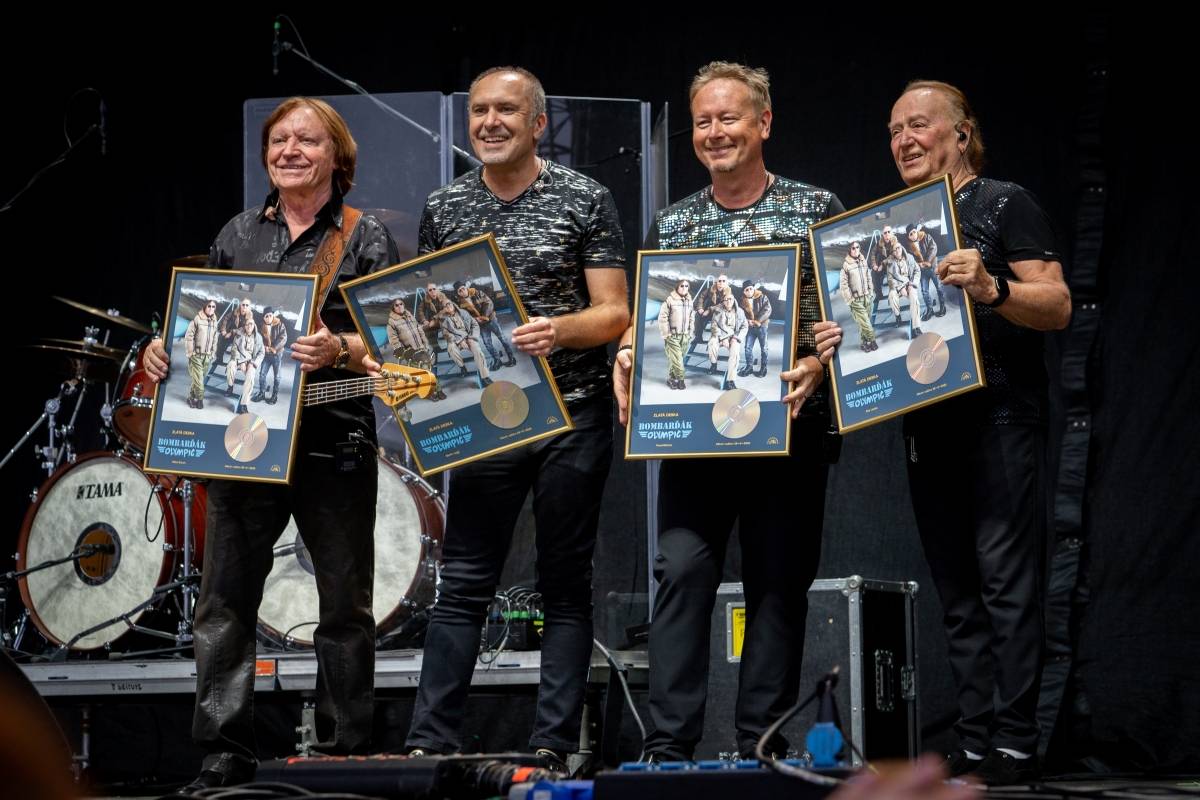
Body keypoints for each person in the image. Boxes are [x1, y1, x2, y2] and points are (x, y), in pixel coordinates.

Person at [816, 80, 1070, 785]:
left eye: (920, 125)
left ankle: (1017, 739)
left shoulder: (1004, 203)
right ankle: (979, 737)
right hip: (929, 425)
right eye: (894, 129)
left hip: (1000, 419)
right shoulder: (887, 227)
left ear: (962, 133)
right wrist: (844, 338)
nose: (904, 139)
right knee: (957, 593)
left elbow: (1057, 305)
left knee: (1005, 585)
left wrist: (994, 290)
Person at [144, 96, 399, 791]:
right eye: (279, 139)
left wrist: (340, 346)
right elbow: (209, 329)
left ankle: (348, 752)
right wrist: (164, 350)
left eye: (307, 140)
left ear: (336, 157)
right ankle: (225, 750)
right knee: (224, 603)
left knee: (343, 607)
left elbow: (397, 349)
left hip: (330, 444)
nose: (290, 150)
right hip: (243, 447)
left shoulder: (365, 235)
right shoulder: (236, 233)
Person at [395, 66, 628, 767]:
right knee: (463, 582)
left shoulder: (585, 197)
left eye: (506, 110)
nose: (489, 122)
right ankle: (427, 743)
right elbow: (422, 314)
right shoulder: (445, 205)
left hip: (571, 413)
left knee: (564, 582)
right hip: (485, 417)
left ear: (537, 124)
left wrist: (557, 331)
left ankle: (554, 745)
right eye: (479, 111)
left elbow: (615, 312)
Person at [613, 61, 844, 761]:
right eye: (704, 121)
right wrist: (628, 351)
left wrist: (814, 360)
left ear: (763, 123)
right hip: (695, 438)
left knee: (778, 587)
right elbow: (650, 323)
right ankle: (668, 746)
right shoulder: (674, 223)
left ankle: (761, 743)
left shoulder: (816, 207)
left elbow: (852, 331)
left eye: (729, 118)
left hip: (789, 428)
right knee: (681, 573)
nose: (715, 133)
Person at [455, 280, 515, 370]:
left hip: (491, 319)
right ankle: (497, 360)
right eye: (459, 291)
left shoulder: (478, 293)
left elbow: (489, 303)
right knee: (487, 343)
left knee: (502, 338)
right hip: (481, 325)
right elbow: (466, 316)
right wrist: (475, 319)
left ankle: (511, 358)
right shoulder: (461, 304)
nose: (462, 291)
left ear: (466, 288)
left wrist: (484, 316)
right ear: (458, 293)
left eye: (463, 289)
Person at [437, 298, 493, 387]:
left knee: (477, 351)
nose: (448, 306)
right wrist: (459, 341)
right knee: (451, 348)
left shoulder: (463, 312)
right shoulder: (443, 319)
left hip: (469, 337)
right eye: (445, 305)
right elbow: (446, 334)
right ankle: (462, 367)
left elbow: (474, 324)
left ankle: (485, 377)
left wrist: (472, 337)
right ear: (443, 309)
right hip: (456, 340)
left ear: (453, 303)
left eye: (449, 303)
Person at [838, 241, 877, 352]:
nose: (855, 250)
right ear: (849, 250)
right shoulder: (846, 265)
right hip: (856, 300)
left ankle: (864, 343)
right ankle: (872, 340)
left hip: (866, 297)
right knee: (865, 321)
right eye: (853, 248)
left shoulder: (863, 261)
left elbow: (868, 276)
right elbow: (843, 285)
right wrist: (850, 300)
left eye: (857, 247)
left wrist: (870, 292)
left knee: (863, 322)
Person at [657, 278, 694, 390]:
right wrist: (666, 334)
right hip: (672, 335)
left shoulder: (689, 301)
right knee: (678, 359)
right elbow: (662, 318)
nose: (684, 288)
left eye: (686, 286)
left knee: (677, 359)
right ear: (677, 287)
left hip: (685, 336)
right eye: (682, 286)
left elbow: (692, 317)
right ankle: (681, 380)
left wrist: (690, 332)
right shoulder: (670, 300)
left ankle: (671, 379)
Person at [183, 299, 220, 408]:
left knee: (197, 379)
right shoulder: (197, 319)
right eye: (209, 306)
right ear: (205, 307)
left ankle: (190, 398)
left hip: (207, 356)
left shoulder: (214, 321)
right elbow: (189, 337)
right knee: (199, 380)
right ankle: (200, 400)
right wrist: (191, 353)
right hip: (196, 355)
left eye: (213, 307)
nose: (211, 309)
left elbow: (214, 339)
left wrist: (212, 353)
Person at [225, 315, 264, 414]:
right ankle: (230, 386)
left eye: (251, 324)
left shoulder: (258, 337)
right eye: (247, 324)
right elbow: (234, 348)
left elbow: (261, 353)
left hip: (251, 362)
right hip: (239, 359)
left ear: (254, 325)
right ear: (244, 326)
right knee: (231, 365)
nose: (249, 326)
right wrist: (241, 361)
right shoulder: (239, 334)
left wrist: (253, 363)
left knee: (250, 376)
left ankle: (244, 404)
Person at [707, 292, 747, 388]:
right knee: (712, 343)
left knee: (735, 353)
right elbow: (714, 326)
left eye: (731, 299)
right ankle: (713, 364)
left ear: (734, 301)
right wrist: (723, 338)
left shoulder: (740, 312)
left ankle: (731, 380)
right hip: (719, 335)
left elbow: (745, 326)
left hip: (734, 336)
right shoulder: (718, 311)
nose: (728, 301)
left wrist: (737, 338)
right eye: (726, 299)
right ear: (723, 301)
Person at [885, 241, 924, 339]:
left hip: (910, 284)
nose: (897, 250)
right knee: (892, 296)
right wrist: (900, 287)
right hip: (897, 286)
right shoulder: (890, 263)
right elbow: (890, 280)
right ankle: (898, 316)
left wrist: (913, 284)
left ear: (902, 248)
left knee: (914, 298)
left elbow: (917, 271)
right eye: (895, 249)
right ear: (893, 252)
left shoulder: (910, 257)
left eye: (899, 248)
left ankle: (916, 327)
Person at [907, 224, 945, 319]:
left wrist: (927, 261)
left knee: (939, 287)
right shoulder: (910, 247)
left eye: (914, 232)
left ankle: (942, 307)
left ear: (917, 231)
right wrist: (918, 264)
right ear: (909, 236)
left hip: (932, 267)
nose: (913, 235)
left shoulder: (926, 237)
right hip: (923, 271)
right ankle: (930, 309)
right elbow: (911, 259)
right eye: (910, 234)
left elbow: (933, 248)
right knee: (924, 291)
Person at [253, 307, 287, 404]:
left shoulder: (280, 324)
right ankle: (262, 393)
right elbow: (258, 339)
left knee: (277, 377)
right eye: (266, 316)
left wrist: (273, 348)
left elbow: (283, 338)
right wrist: (264, 347)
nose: (268, 318)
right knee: (262, 374)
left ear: (273, 315)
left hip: (277, 354)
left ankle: (274, 395)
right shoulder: (261, 326)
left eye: (270, 315)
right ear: (264, 318)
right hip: (266, 355)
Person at [212, 297, 255, 375]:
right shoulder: (235, 312)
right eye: (243, 305)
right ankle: (219, 358)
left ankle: (233, 362)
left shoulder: (250, 317)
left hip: (240, 337)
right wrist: (223, 330)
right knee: (221, 337)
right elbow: (225, 319)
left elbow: (243, 329)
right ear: (240, 305)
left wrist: (231, 332)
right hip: (230, 334)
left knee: (236, 345)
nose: (244, 307)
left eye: (247, 305)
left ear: (249, 308)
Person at [738, 279, 772, 377]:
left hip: (762, 326)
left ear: (753, 288)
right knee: (747, 348)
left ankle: (763, 368)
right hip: (750, 327)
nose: (749, 291)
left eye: (750, 289)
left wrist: (758, 321)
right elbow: (740, 313)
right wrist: (747, 321)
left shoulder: (762, 297)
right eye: (746, 290)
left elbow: (767, 309)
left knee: (764, 348)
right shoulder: (742, 301)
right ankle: (749, 367)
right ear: (744, 292)